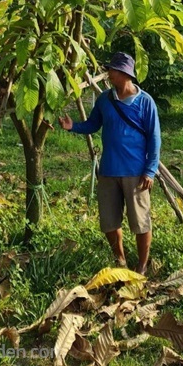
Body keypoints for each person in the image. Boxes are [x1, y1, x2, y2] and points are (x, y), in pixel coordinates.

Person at [58, 52, 161, 274]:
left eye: (112, 71)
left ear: (125, 74)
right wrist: (72, 126)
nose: (109, 75)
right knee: (109, 221)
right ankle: (120, 259)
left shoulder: (145, 102)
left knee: (140, 222)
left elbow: (155, 138)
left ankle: (142, 265)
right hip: (108, 170)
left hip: (135, 172)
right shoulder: (105, 99)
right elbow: (93, 124)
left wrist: (150, 171)